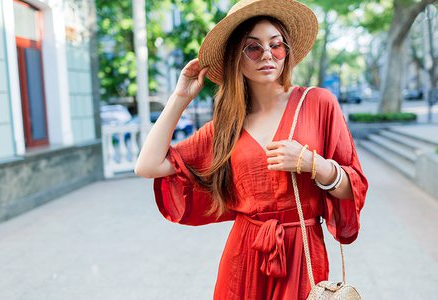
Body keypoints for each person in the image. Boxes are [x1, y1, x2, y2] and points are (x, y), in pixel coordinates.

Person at [134, 0, 368, 299]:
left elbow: (355, 187)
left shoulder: (319, 103)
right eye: (253, 48)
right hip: (244, 256)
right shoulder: (227, 125)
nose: (267, 55)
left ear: (287, 51)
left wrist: (314, 164)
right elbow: (148, 166)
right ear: (237, 57)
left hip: (303, 253)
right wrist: (180, 97)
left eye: (276, 45)